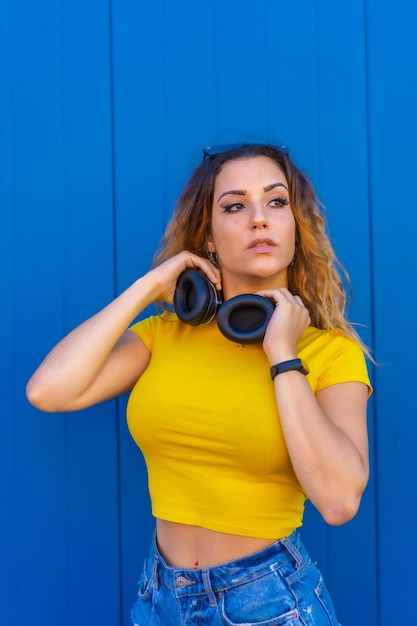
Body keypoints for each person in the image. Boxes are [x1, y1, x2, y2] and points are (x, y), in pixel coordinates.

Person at [26, 143, 372, 626]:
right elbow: (48, 390)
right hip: (160, 597)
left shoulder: (330, 354)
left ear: (296, 228)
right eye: (235, 206)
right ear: (208, 238)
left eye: (276, 202)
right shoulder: (164, 337)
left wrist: (282, 356)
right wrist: (149, 287)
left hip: (270, 602)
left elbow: (339, 501)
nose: (259, 219)